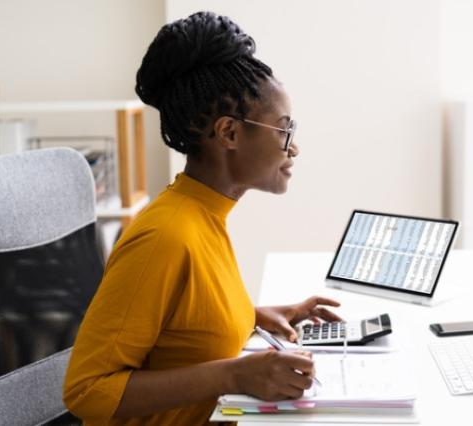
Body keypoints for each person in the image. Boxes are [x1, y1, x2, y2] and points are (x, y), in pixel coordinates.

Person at [63, 11, 341, 425]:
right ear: (229, 133)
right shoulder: (166, 237)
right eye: (284, 130)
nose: (293, 148)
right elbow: (86, 390)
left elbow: (187, 327)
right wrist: (233, 375)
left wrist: (261, 315)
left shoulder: (205, 214)